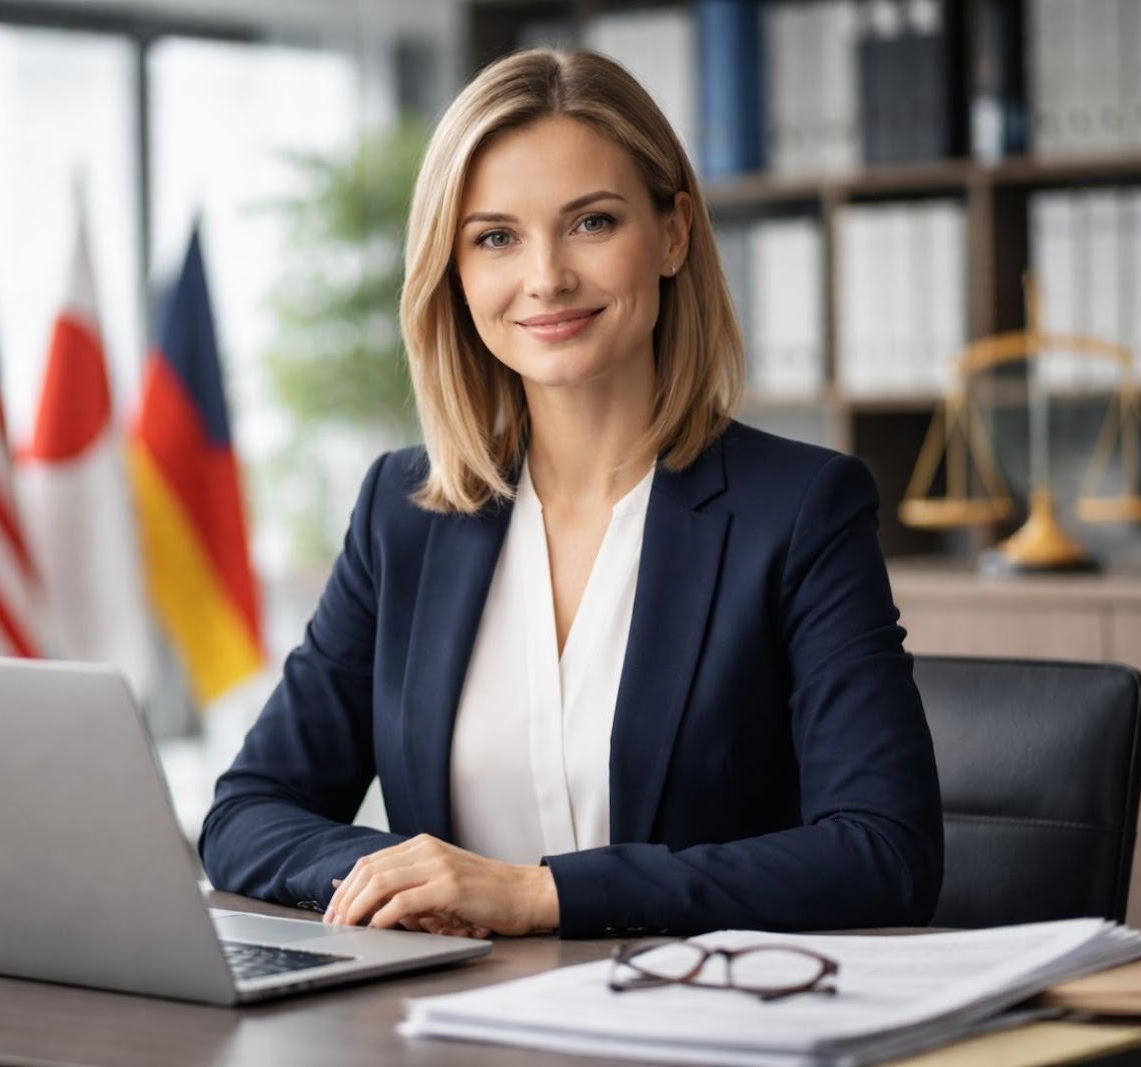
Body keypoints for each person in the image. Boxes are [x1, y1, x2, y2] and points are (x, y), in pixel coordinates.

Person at [199, 49, 943, 940]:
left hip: (699, 1025)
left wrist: (537, 894)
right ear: (455, 270)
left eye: (590, 222)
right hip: (446, 1026)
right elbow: (246, 812)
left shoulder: (802, 510)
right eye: (496, 237)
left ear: (673, 233)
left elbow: (884, 855)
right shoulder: (404, 511)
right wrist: (396, 884)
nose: (545, 277)